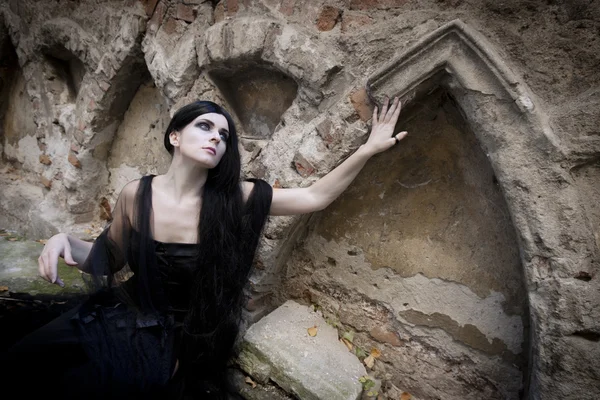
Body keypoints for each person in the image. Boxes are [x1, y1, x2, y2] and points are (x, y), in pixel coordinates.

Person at [3, 97, 406, 399]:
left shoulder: (237, 197)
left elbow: (316, 197)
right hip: (123, 311)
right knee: (25, 356)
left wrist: (369, 148)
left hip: (180, 333)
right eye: (204, 127)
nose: (216, 137)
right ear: (174, 136)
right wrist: (62, 239)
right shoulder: (135, 194)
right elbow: (106, 258)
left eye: (224, 135)